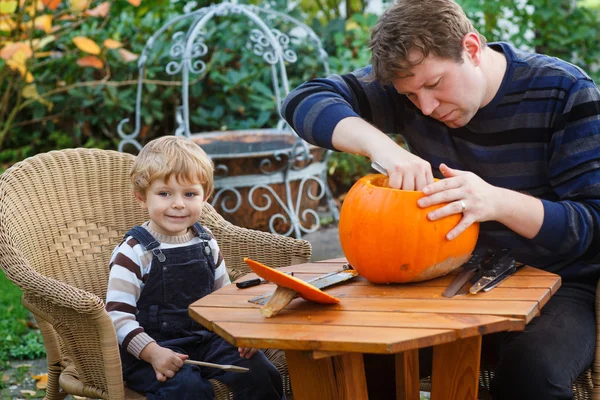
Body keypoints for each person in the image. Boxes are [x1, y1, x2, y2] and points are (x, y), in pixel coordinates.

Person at [281, 0, 600, 398]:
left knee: (531, 375)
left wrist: (495, 202)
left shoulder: (565, 90)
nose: (426, 107)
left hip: (558, 287)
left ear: (471, 48)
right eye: (410, 96)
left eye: (434, 85)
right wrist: (384, 149)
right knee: (352, 363)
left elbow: (591, 225)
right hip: (445, 278)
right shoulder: (412, 81)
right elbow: (303, 99)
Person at [105, 136, 284, 399]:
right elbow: (117, 317)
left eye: (189, 194)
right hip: (151, 350)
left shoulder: (206, 241)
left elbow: (224, 300)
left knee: (259, 372)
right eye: (165, 193)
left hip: (207, 341)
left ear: (205, 196)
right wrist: (152, 352)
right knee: (187, 390)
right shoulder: (134, 252)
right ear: (142, 197)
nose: (178, 203)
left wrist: (240, 335)